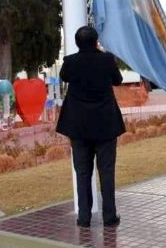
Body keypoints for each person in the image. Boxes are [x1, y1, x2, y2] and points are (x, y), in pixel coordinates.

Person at [56, 26, 125, 228]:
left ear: (77, 43)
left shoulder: (70, 62)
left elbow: (65, 77)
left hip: (78, 127)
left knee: (82, 172)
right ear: (96, 41)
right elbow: (118, 80)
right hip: (105, 124)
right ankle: (109, 216)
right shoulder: (107, 60)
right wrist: (102, 54)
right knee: (107, 171)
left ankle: (84, 217)